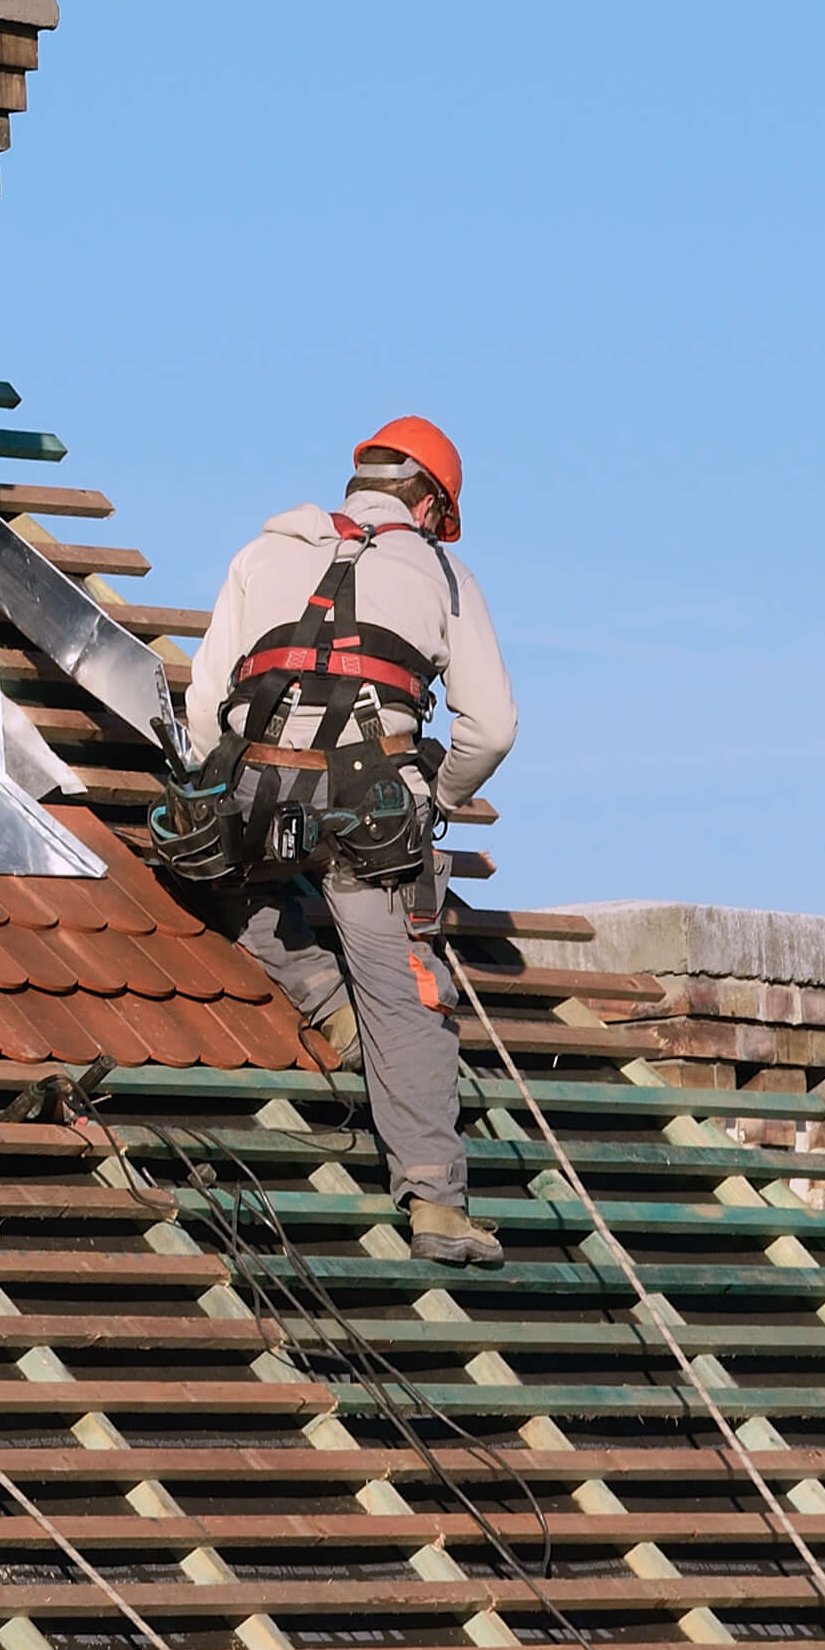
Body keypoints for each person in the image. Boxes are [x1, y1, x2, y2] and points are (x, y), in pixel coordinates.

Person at [165, 416, 518, 1266]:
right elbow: (492, 726)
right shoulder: (442, 571)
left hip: (254, 787)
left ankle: (324, 1002)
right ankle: (434, 1203)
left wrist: (245, 779)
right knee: (404, 986)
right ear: (429, 502)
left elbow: (206, 706)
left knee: (204, 863)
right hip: (371, 807)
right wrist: (436, 793)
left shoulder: (261, 552)